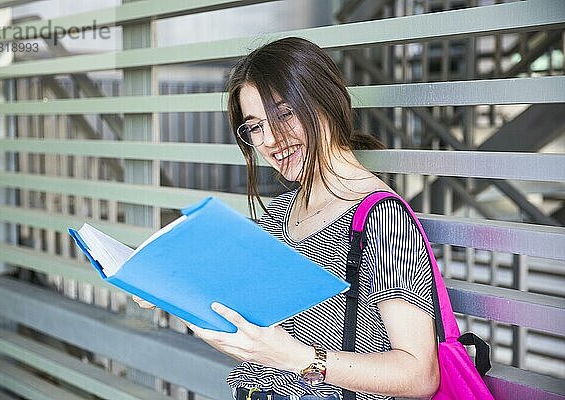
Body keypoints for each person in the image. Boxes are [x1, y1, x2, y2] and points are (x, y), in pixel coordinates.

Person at [134, 37, 439, 400]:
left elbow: (419, 375)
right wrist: (170, 291)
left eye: (283, 114)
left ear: (326, 102)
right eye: (255, 126)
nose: (270, 140)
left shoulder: (380, 217)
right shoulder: (279, 212)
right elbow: (259, 350)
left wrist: (300, 358)